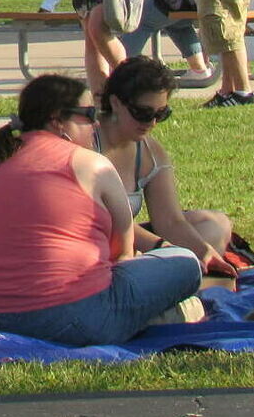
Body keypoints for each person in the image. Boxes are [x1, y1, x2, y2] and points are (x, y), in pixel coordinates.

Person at [0, 74, 204, 346]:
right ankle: (165, 314)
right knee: (186, 262)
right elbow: (122, 257)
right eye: (88, 114)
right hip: (74, 320)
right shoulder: (92, 164)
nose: (97, 122)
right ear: (57, 120)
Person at [93, 57, 235, 269]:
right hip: (93, 244)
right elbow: (106, 221)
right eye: (143, 113)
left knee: (216, 225)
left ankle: (190, 276)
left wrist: (205, 252)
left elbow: (169, 221)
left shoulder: (150, 152)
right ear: (115, 103)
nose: (151, 123)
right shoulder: (86, 143)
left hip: (131, 244)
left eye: (161, 114)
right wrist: (163, 247)